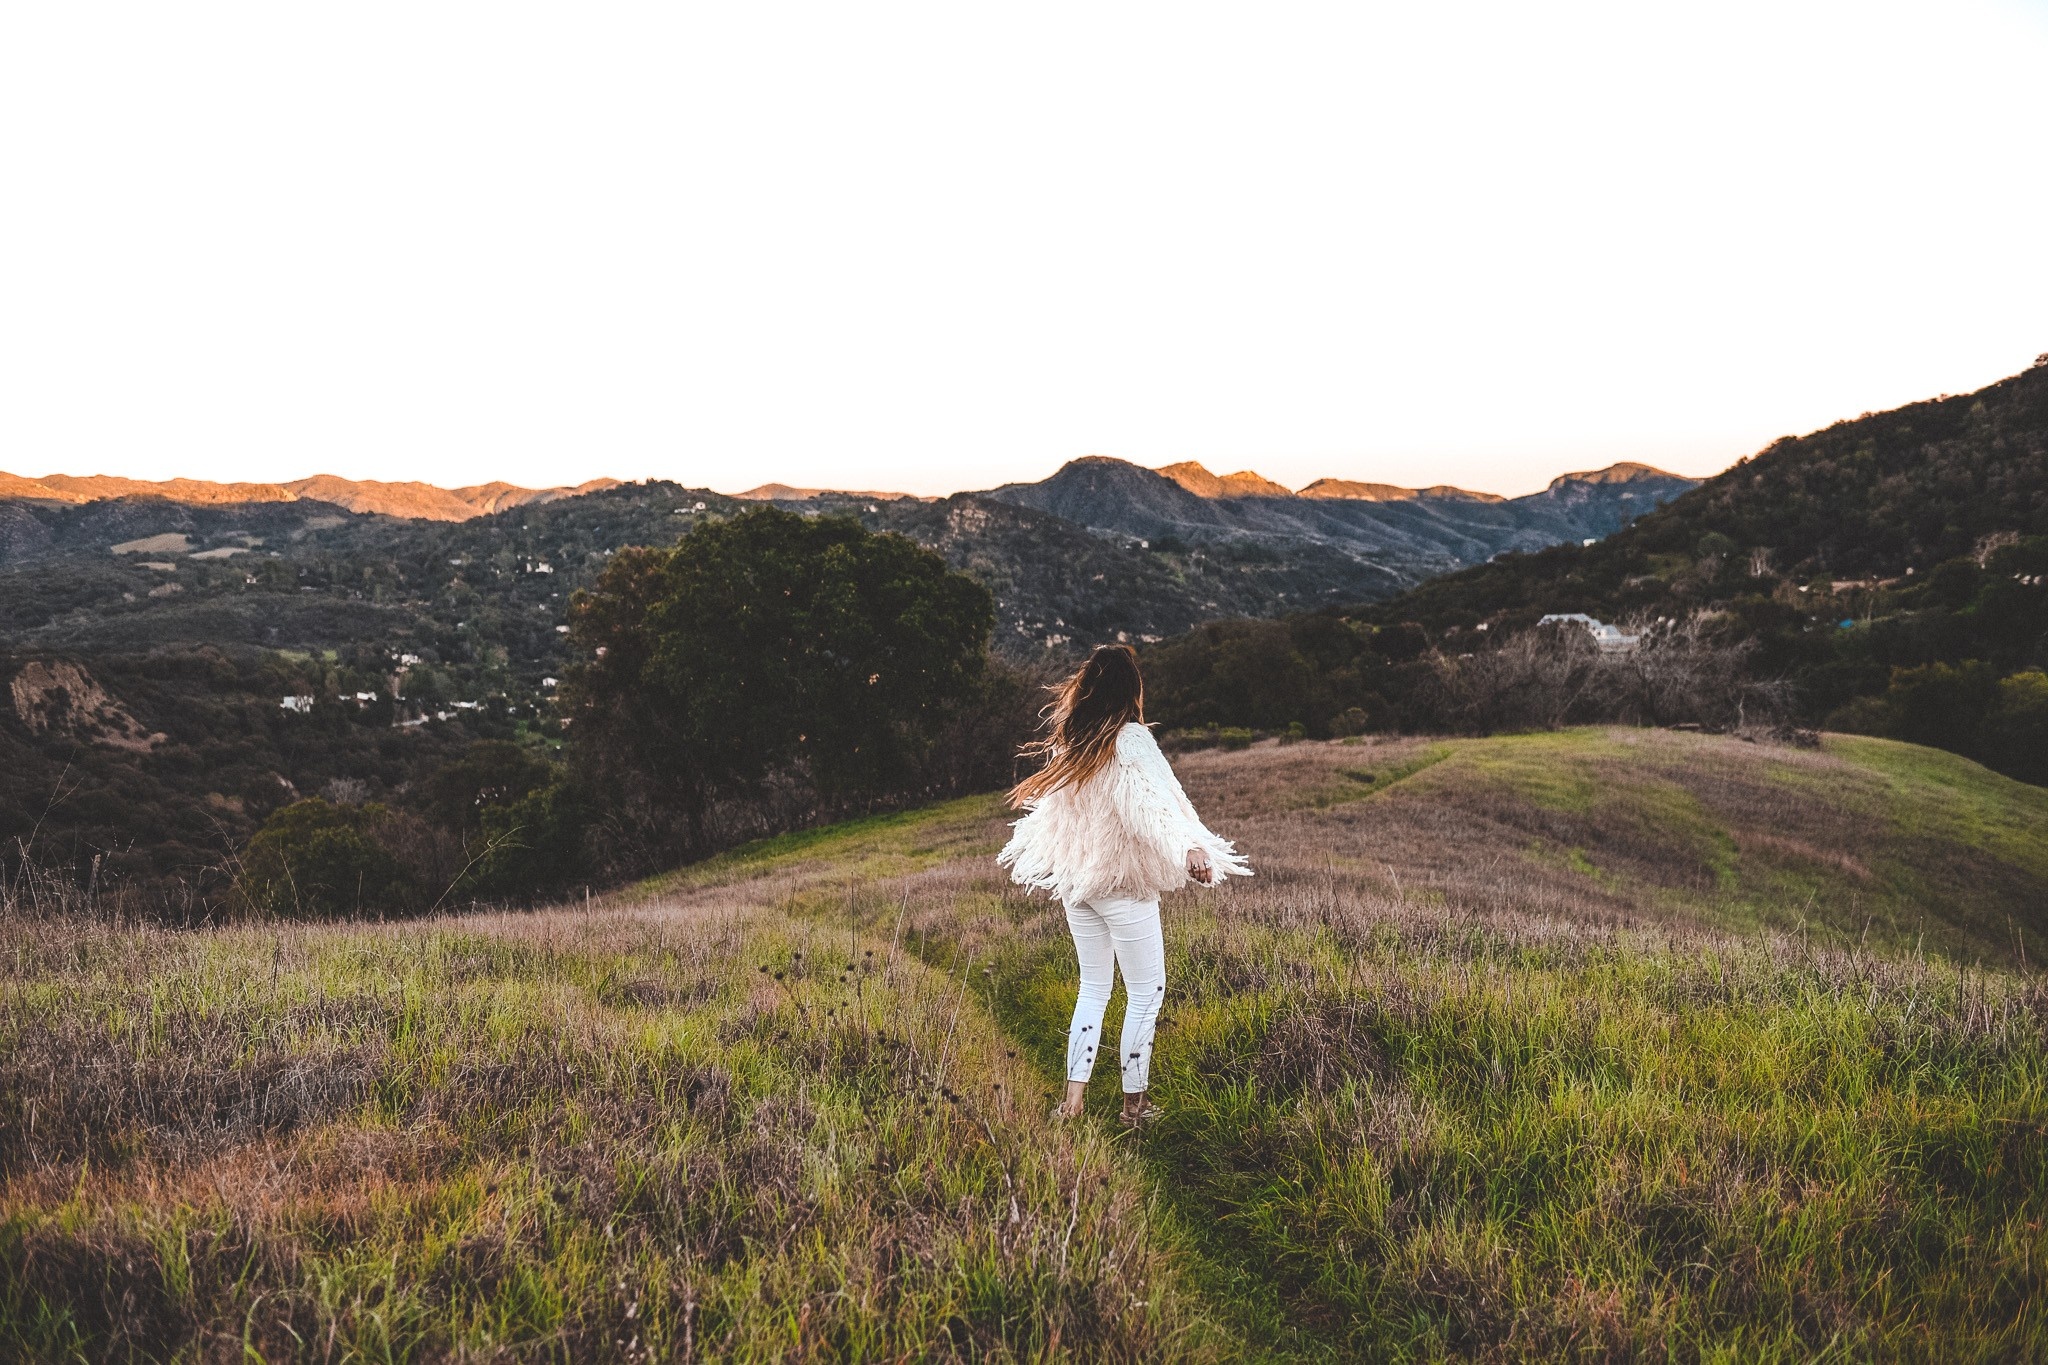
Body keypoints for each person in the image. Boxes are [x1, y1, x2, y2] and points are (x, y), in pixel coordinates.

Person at [998, 644, 1251, 1126]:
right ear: (1132, 688)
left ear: (1087, 690)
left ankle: (1072, 1104)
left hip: (1081, 886)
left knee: (1093, 989)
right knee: (1146, 993)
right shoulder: (1129, 738)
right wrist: (1186, 847)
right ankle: (1134, 1108)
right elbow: (1150, 802)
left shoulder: (1074, 742)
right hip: (1120, 886)